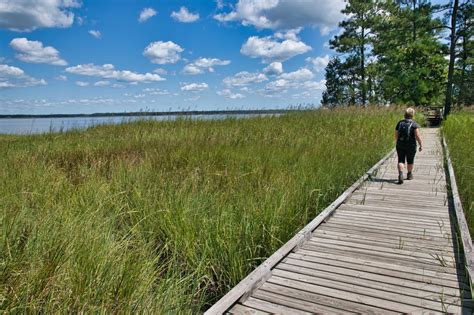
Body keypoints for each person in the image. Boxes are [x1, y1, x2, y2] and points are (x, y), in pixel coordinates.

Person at [395, 107, 423, 184]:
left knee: (401, 160)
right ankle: (409, 174)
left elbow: (396, 134)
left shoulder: (400, 123)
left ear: (405, 114)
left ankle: (400, 174)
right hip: (411, 145)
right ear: (412, 115)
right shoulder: (414, 124)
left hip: (400, 144)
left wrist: (397, 142)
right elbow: (417, 135)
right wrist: (421, 144)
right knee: (410, 160)